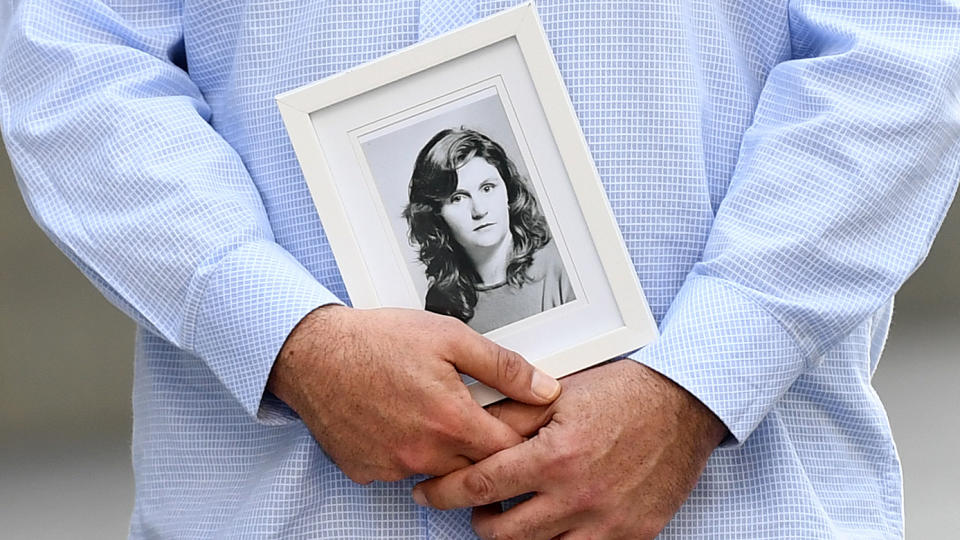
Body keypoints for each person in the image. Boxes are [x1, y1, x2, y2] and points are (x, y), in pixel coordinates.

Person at [1, 1, 958, 538]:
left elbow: (905, 51)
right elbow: (76, 54)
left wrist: (699, 385)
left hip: (731, 506)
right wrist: (283, 335)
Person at [404, 128, 574, 333]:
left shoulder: (562, 264)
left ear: (508, 193)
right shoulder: (440, 302)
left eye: (487, 188)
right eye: (458, 198)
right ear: (436, 214)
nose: (479, 210)